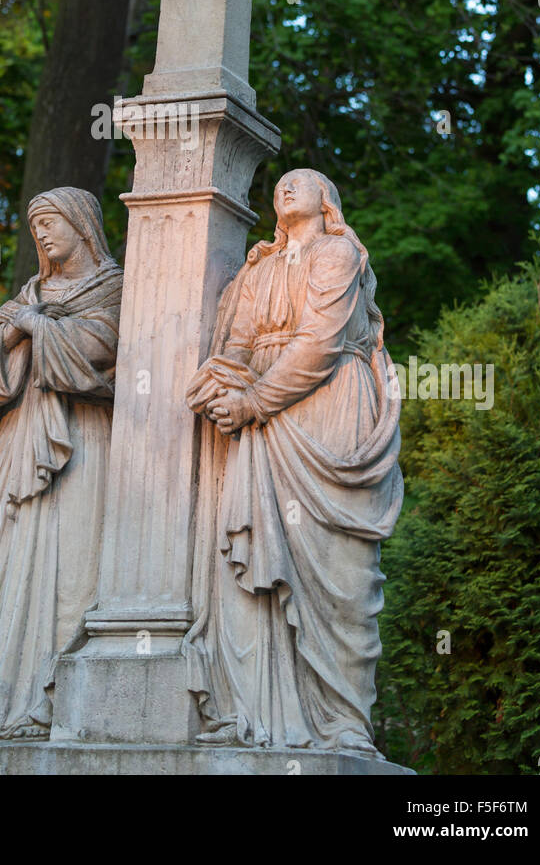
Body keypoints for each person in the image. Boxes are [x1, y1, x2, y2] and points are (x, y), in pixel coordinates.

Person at [184, 169, 403, 752]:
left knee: (341, 569)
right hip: (264, 419)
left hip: (327, 409)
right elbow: (236, 345)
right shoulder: (259, 268)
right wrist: (220, 386)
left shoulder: (337, 253)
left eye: (300, 181)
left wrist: (253, 400)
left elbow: (321, 342)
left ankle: (344, 722)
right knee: (256, 564)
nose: (286, 186)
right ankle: (263, 712)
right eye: (279, 183)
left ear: (325, 199)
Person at [0, 188, 123, 741]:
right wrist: (18, 328)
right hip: (18, 445)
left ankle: (62, 703)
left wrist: (41, 329)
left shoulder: (120, 288)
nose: (41, 232)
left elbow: (108, 348)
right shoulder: (25, 298)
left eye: (51, 220)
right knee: (12, 571)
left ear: (83, 225)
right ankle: (11, 702)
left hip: (83, 440)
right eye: (34, 223)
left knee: (76, 567)